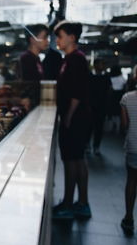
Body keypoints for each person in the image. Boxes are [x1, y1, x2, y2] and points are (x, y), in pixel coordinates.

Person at [52, 21, 92, 220]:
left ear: (72, 37)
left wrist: (67, 117)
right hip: (76, 118)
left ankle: (69, 204)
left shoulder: (76, 59)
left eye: (60, 36)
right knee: (77, 159)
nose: (57, 40)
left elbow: (77, 92)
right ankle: (81, 203)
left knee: (71, 160)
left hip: (75, 118)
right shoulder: (70, 58)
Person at [120, 66, 137, 235]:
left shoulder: (127, 98)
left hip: (133, 145)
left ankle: (129, 217)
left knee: (131, 181)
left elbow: (124, 126)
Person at [88, 59, 112, 155]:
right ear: (95, 65)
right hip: (91, 105)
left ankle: (96, 146)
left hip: (102, 106)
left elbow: (109, 90)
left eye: (103, 64)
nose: (102, 66)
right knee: (89, 126)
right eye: (101, 64)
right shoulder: (90, 75)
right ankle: (87, 145)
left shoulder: (106, 76)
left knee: (99, 127)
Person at [108, 66, 126, 133]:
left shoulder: (110, 78)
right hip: (120, 95)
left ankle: (111, 128)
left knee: (111, 112)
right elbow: (125, 86)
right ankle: (118, 128)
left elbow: (109, 88)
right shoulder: (122, 78)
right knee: (118, 112)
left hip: (112, 95)